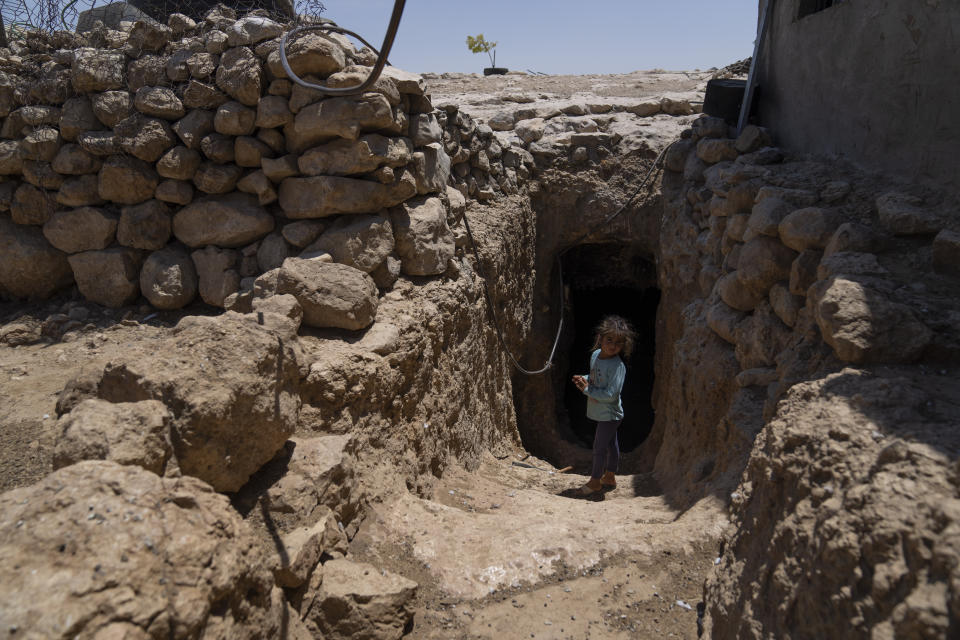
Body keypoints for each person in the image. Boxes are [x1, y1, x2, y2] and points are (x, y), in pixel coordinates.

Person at [571, 315, 635, 495]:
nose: (613, 345)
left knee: (599, 448)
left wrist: (586, 390)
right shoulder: (596, 355)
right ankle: (610, 476)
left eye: (619, 342)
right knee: (611, 445)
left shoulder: (617, 367)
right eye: (609, 339)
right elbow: (596, 380)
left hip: (610, 414)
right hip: (601, 412)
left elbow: (610, 394)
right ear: (600, 337)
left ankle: (594, 481)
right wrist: (584, 379)